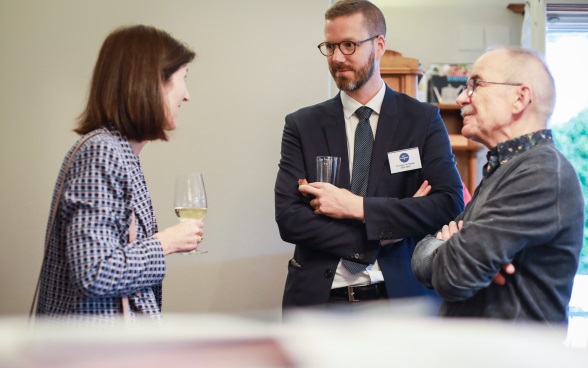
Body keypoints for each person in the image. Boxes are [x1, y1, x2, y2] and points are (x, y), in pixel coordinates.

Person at [274, 0, 464, 309]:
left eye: (349, 45)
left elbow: (448, 203)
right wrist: (380, 233)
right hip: (321, 302)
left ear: (378, 46)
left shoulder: (423, 119)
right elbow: (290, 220)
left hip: (402, 299)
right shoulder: (302, 125)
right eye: (330, 46)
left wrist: (358, 207)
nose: (337, 57)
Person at [34, 25, 203, 322]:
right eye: (182, 79)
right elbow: (94, 272)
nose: (186, 96)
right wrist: (168, 242)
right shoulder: (102, 152)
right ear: (152, 83)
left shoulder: (119, 151)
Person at [411, 46, 584, 323]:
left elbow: (454, 275)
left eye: (475, 85)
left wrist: (449, 247)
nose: (460, 98)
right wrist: (446, 248)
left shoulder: (541, 172)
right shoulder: (504, 167)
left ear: (520, 98)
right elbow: (423, 260)